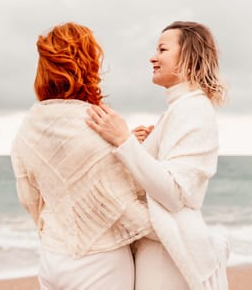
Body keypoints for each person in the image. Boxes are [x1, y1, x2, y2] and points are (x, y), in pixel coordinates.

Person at [87, 21, 230, 290]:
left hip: (168, 256)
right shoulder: (179, 109)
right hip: (160, 249)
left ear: (188, 56)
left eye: (162, 49)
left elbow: (174, 193)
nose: (153, 57)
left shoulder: (193, 109)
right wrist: (142, 147)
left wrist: (124, 141)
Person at [10, 22, 152, 290]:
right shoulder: (98, 121)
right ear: (88, 65)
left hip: (52, 257)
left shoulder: (29, 127)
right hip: (100, 260)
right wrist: (131, 148)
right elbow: (125, 196)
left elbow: (30, 199)